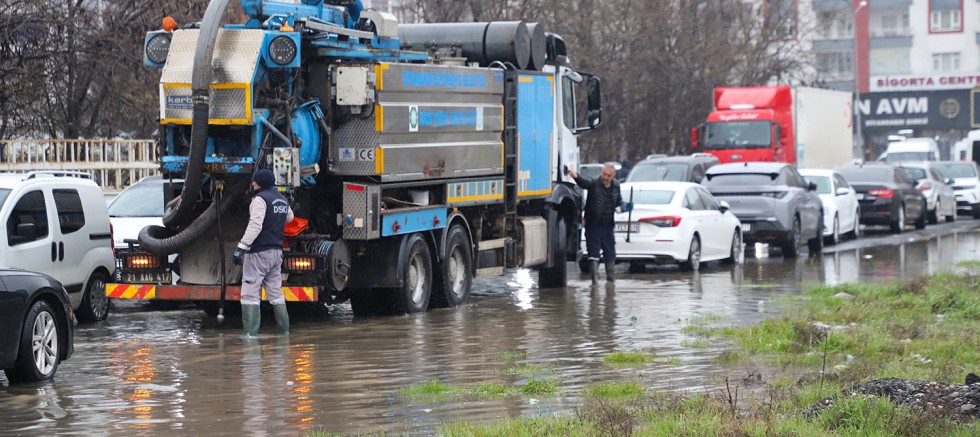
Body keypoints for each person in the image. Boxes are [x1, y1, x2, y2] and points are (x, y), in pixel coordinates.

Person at [233, 169, 294, 336]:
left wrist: (242, 247)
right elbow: (290, 217)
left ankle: (250, 336)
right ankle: (284, 332)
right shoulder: (282, 200)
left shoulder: (259, 199)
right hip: (276, 253)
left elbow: (255, 225)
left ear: (259, 183)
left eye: (254, 181)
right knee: (275, 293)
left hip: (258, 253)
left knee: (250, 293)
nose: (252, 184)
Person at [568, 163, 624, 285]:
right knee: (593, 253)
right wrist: (575, 176)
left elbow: (619, 201)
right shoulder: (594, 184)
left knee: (610, 253)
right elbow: (583, 183)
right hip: (593, 225)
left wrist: (622, 207)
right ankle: (594, 283)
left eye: (608, 175)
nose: (605, 177)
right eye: (604, 174)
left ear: (613, 176)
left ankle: (611, 282)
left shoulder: (616, 186)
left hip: (608, 225)